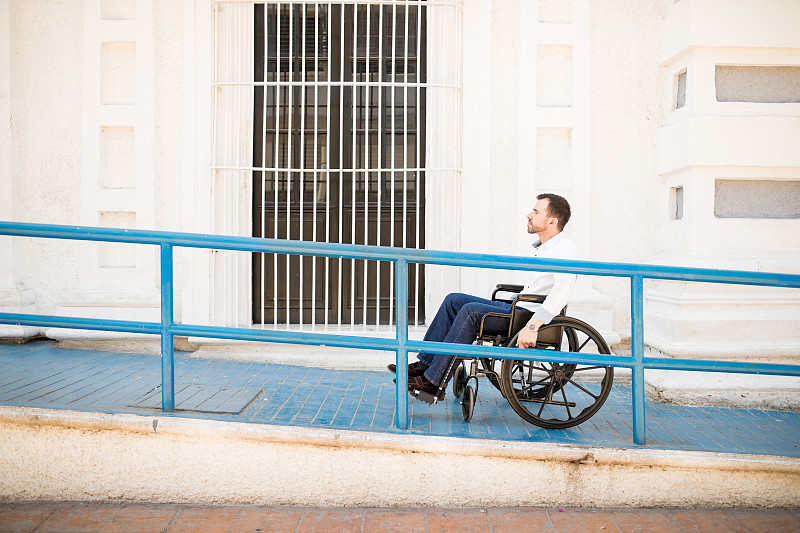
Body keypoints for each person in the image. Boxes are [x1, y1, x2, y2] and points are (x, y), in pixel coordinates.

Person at [388, 193, 580, 402]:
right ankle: (425, 365)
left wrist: (533, 326)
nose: (529, 215)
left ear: (552, 221)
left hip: (528, 317)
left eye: (536, 212)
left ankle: (433, 383)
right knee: (454, 300)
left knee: (470, 312)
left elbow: (563, 290)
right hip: (519, 307)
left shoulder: (564, 249)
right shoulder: (544, 248)